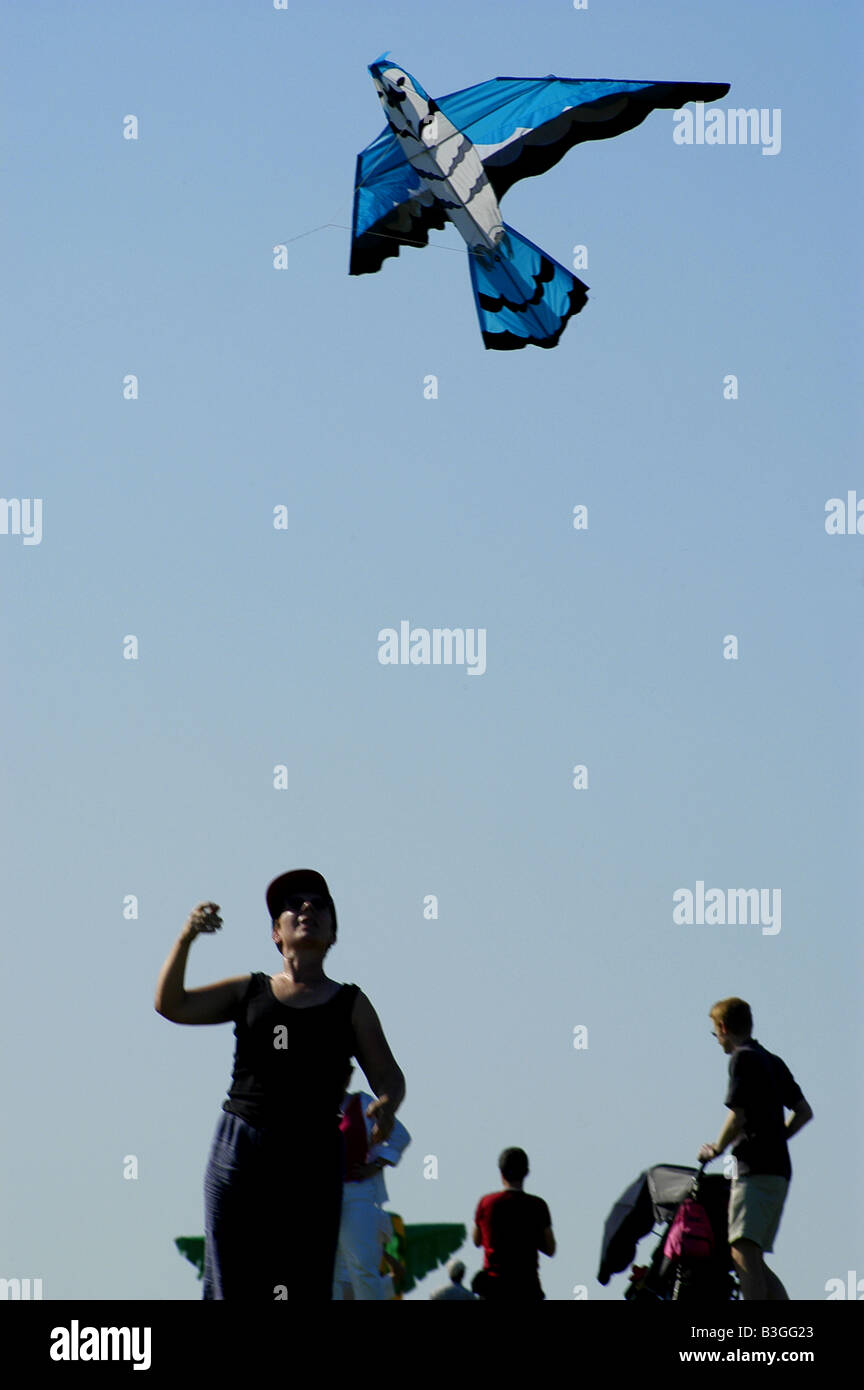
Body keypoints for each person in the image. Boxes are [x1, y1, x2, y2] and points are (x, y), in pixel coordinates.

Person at [154, 868, 405, 1301]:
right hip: (241, 1145)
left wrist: (387, 1102)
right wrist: (186, 938)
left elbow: (389, 1076)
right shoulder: (249, 990)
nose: (307, 908)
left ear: (333, 934)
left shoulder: (351, 1003)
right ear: (275, 933)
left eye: (319, 904)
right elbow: (171, 1004)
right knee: (232, 1280)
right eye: (294, 905)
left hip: (312, 1152)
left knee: (303, 1279)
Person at [698, 996, 812, 1301]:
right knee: (754, 1258)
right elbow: (803, 1112)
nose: (718, 1041)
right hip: (779, 1171)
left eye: (715, 1034)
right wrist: (778, 1137)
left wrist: (716, 1149)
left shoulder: (741, 1058)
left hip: (754, 1169)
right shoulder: (772, 1061)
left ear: (723, 1028)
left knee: (742, 1250)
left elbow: (738, 1115)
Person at [333, 1063, 411, 1300]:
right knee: (330, 1274)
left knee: (363, 1268)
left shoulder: (364, 1104)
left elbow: (400, 1136)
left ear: (348, 1077)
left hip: (356, 1192)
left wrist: (375, 1166)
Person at [471, 1147, 555, 1300]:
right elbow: (551, 1249)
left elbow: (476, 1241)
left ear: (501, 1173)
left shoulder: (486, 1203)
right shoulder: (537, 1205)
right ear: (526, 1172)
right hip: (527, 1288)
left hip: (493, 1289)